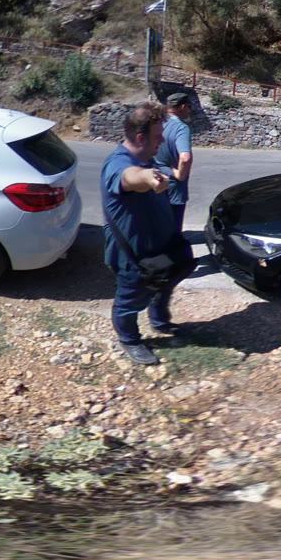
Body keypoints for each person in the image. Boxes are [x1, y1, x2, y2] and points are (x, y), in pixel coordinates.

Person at [101, 104, 196, 366]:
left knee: (163, 287)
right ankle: (130, 340)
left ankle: (159, 321)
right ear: (141, 138)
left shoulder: (146, 158)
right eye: (158, 136)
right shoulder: (119, 164)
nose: (163, 141)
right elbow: (130, 177)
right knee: (129, 300)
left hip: (160, 248)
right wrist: (149, 178)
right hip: (134, 256)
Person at [156, 91, 196, 233]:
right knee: (173, 230)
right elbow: (185, 158)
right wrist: (180, 175)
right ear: (183, 107)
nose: (189, 111)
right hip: (173, 187)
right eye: (189, 107)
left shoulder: (157, 122)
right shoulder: (181, 128)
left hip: (154, 180)